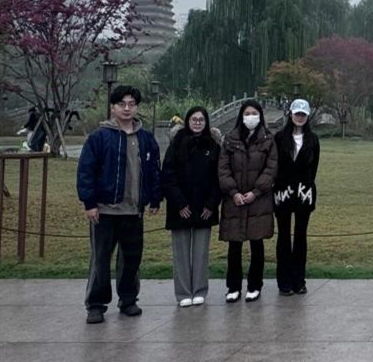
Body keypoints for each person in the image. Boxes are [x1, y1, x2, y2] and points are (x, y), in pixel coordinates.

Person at [76, 85, 162, 324]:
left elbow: (154, 171)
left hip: (134, 210)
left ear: (137, 107)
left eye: (132, 104)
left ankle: (128, 299)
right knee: (101, 259)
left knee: (131, 259)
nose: (127, 108)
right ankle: (96, 304)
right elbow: (86, 171)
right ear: (113, 107)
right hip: (105, 210)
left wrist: (155, 198)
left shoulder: (145, 138)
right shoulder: (99, 137)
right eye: (121, 104)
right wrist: (89, 203)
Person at [218, 100, 278, 303]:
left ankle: (255, 285)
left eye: (254, 113)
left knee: (256, 243)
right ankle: (233, 287)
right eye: (247, 113)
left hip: (258, 199)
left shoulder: (268, 140)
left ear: (260, 116)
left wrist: (256, 191)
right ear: (241, 116)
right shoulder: (230, 140)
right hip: (234, 200)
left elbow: (271, 168)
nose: (250, 117)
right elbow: (223, 168)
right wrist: (233, 191)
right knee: (234, 245)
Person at [161, 107, 221, 307]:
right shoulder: (176, 144)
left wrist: (211, 204)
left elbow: (218, 178)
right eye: (194, 119)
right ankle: (183, 292)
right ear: (187, 121)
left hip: (205, 208)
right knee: (181, 253)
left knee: (201, 253)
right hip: (180, 207)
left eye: (201, 119)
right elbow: (168, 176)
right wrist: (179, 203)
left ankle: (200, 290)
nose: (197, 123)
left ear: (206, 122)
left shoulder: (213, 146)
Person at [274, 99, 321, 296]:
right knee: (284, 236)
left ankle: (299, 280)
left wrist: (305, 187)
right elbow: (275, 164)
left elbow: (314, 168)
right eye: (297, 114)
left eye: (303, 114)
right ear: (291, 114)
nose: (300, 117)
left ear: (307, 116)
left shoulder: (313, 140)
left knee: (301, 236)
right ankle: (284, 281)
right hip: (282, 193)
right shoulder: (279, 138)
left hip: (304, 193)